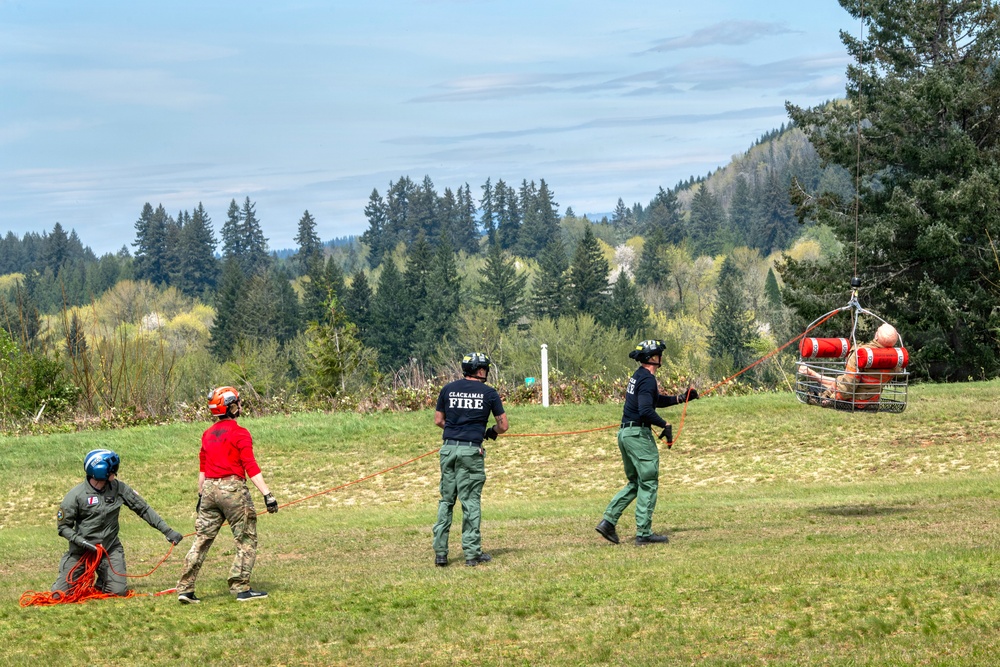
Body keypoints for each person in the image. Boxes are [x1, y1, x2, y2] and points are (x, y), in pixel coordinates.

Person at [176, 386, 278, 603]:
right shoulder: (240, 433)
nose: (241, 406)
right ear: (232, 407)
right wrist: (268, 494)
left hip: (209, 491)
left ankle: (185, 588)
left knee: (201, 540)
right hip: (232, 489)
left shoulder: (207, 434)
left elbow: (202, 470)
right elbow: (250, 466)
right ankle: (241, 588)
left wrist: (200, 496)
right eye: (239, 403)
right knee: (246, 538)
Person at [596, 339, 699, 546]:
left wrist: (682, 398)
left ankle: (608, 522)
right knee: (649, 481)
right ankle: (644, 533)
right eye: (659, 354)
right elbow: (645, 410)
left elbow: (653, 401)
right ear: (653, 358)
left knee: (636, 482)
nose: (661, 357)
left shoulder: (639, 377)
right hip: (638, 437)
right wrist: (664, 424)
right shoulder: (648, 379)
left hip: (626, 434)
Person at [52, 449, 184, 596]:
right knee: (60, 595)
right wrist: (82, 542)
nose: (115, 472)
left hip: (109, 548)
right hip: (82, 551)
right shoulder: (76, 495)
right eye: (113, 469)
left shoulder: (118, 488)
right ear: (101, 471)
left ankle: (103, 581)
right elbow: (63, 527)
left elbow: (143, 509)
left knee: (118, 592)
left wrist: (168, 531)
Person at [432, 352, 508, 567]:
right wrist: (489, 430)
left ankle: (440, 553)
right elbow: (503, 426)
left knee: (447, 500)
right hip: (471, 452)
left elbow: (439, 420)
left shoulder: (447, 389)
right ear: (481, 370)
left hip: (448, 449)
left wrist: (456, 430)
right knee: (470, 501)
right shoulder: (489, 393)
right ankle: (472, 554)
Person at [798, 323, 901, 408]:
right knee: (833, 382)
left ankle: (813, 378)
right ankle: (813, 374)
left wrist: (831, 398)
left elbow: (847, 386)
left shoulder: (861, 354)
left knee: (812, 389)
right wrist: (813, 374)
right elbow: (855, 383)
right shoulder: (897, 359)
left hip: (854, 401)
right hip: (872, 401)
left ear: (876, 337)